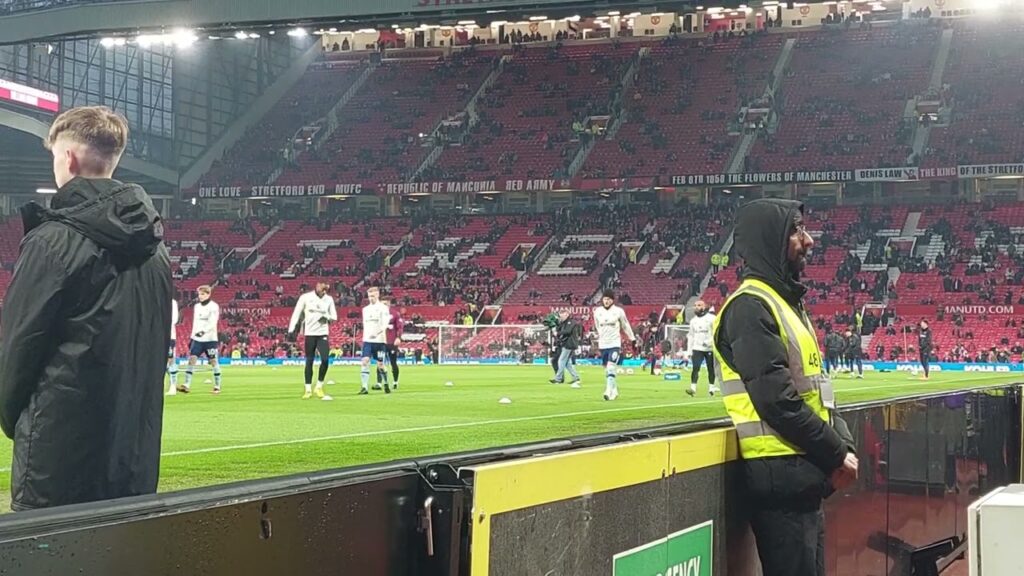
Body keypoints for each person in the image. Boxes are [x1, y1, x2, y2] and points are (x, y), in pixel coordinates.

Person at [0, 105, 172, 510]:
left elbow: (19, 346)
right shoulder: (156, 248)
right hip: (133, 450)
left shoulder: (51, 240)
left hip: (57, 454)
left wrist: (15, 420)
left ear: (68, 157)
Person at [712, 199, 857, 576]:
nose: (808, 240)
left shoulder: (786, 305)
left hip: (803, 477)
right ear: (769, 239)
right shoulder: (749, 307)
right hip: (781, 478)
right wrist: (837, 452)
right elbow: (776, 401)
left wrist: (843, 447)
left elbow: (820, 389)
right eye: (796, 229)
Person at [289, 281, 337, 400]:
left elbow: (334, 317)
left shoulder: (329, 299)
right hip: (309, 334)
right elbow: (297, 313)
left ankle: (319, 386)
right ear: (317, 286)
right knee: (309, 361)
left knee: (325, 360)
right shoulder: (306, 297)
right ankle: (308, 389)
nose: (323, 292)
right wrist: (291, 329)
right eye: (322, 289)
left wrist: (326, 318)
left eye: (325, 290)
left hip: (322, 333)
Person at [593, 289, 636, 401]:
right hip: (603, 344)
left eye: (609, 299)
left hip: (615, 343)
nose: (606, 301)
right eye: (605, 299)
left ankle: (607, 391)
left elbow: (625, 325)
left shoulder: (618, 311)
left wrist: (632, 338)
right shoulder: (597, 311)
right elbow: (597, 326)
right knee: (607, 369)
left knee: (611, 366)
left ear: (612, 300)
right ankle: (615, 390)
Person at [181, 285, 222, 394]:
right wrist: (192, 337)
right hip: (197, 339)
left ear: (208, 294)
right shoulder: (197, 306)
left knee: (213, 361)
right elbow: (196, 323)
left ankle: (217, 386)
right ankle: (187, 384)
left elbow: (213, 322)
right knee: (192, 359)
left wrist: (203, 331)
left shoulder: (214, 306)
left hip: (210, 339)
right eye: (199, 294)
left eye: (203, 294)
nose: (200, 296)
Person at [359, 287, 390, 395]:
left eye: (373, 296)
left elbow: (385, 323)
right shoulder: (365, 310)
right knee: (365, 361)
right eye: (369, 296)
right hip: (367, 341)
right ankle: (364, 387)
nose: (371, 298)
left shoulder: (383, 308)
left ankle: (386, 383)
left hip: (380, 341)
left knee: (380, 364)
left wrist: (377, 333)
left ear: (377, 295)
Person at [686, 299, 718, 397]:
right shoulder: (693, 321)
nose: (696, 307)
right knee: (695, 368)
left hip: (709, 348)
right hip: (697, 348)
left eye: (699, 305)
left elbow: (716, 333)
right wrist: (689, 350)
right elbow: (691, 335)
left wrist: (709, 342)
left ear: (704, 306)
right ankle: (693, 388)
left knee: (710, 368)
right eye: (695, 305)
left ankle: (711, 387)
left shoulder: (712, 318)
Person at [550, 310, 583, 387]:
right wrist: (554, 325)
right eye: (560, 315)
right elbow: (559, 329)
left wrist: (557, 333)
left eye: (563, 315)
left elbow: (567, 331)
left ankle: (558, 378)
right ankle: (576, 378)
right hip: (566, 343)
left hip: (569, 344)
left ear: (567, 314)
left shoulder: (571, 322)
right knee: (567, 363)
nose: (561, 316)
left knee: (561, 360)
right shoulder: (563, 323)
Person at [382, 295, 404, 390]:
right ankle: (379, 383)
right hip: (381, 341)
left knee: (393, 362)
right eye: (382, 304)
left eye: (386, 303)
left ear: (389, 304)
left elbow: (400, 326)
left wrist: (398, 337)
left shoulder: (395, 314)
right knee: (380, 362)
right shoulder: (378, 314)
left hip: (391, 342)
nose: (384, 305)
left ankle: (395, 381)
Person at [166, 298, 180, 395]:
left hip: (169, 335)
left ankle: (173, 386)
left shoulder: (172, 302)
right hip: (154, 335)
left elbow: (174, 319)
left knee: (170, 360)